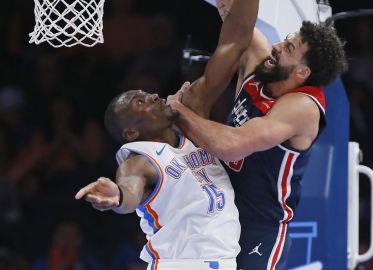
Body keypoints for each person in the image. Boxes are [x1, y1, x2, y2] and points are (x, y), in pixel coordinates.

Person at [75, 0, 259, 269]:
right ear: (131, 131)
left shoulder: (191, 119)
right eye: (140, 103)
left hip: (221, 261)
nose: (150, 95)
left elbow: (234, 41)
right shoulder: (139, 161)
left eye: (145, 94)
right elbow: (130, 190)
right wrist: (117, 195)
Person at [168, 1, 347, 269]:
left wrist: (177, 112)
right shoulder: (260, 58)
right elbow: (234, 14)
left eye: (289, 48)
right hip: (219, 209)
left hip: (259, 226)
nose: (277, 46)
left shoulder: (303, 107)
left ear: (302, 72)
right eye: (286, 40)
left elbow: (231, 146)